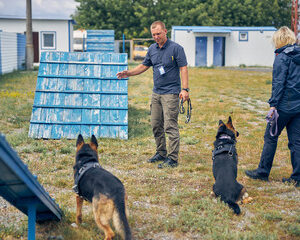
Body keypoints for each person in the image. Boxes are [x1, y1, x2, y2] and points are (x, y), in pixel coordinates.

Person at [117, 21, 189, 168]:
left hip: (171, 93)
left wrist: (185, 89)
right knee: (156, 124)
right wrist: (129, 73)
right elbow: (144, 65)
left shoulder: (176, 48)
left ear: (165, 31)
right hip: (156, 93)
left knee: (170, 125)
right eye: (153, 35)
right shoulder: (152, 49)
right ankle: (161, 152)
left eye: (158, 34)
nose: (156, 37)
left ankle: (173, 159)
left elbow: (183, 68)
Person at [245, 26, 300, 187]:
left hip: (284, 105)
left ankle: (262, 171)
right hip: (298, 107)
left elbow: (278, 82)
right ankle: (297, 177)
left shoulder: (282, 57)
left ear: (279, 40)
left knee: (270, 137)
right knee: (296, 142)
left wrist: (273, 105)